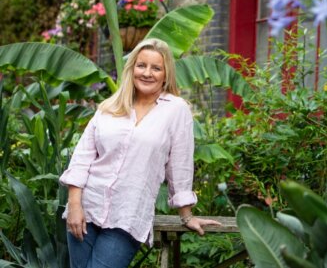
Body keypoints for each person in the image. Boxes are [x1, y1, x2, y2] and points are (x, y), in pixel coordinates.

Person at [59, 38, 221, 268]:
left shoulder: (176, 110)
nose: (147, 73)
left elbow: (180, 165)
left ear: (166, 74)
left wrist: (187, 215)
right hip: (86, 209)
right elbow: (82, 159)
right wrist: (75, 205)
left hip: (128, 216)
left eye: (156, 68)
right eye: (141, 65)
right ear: (132, 68)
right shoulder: (109, 107)